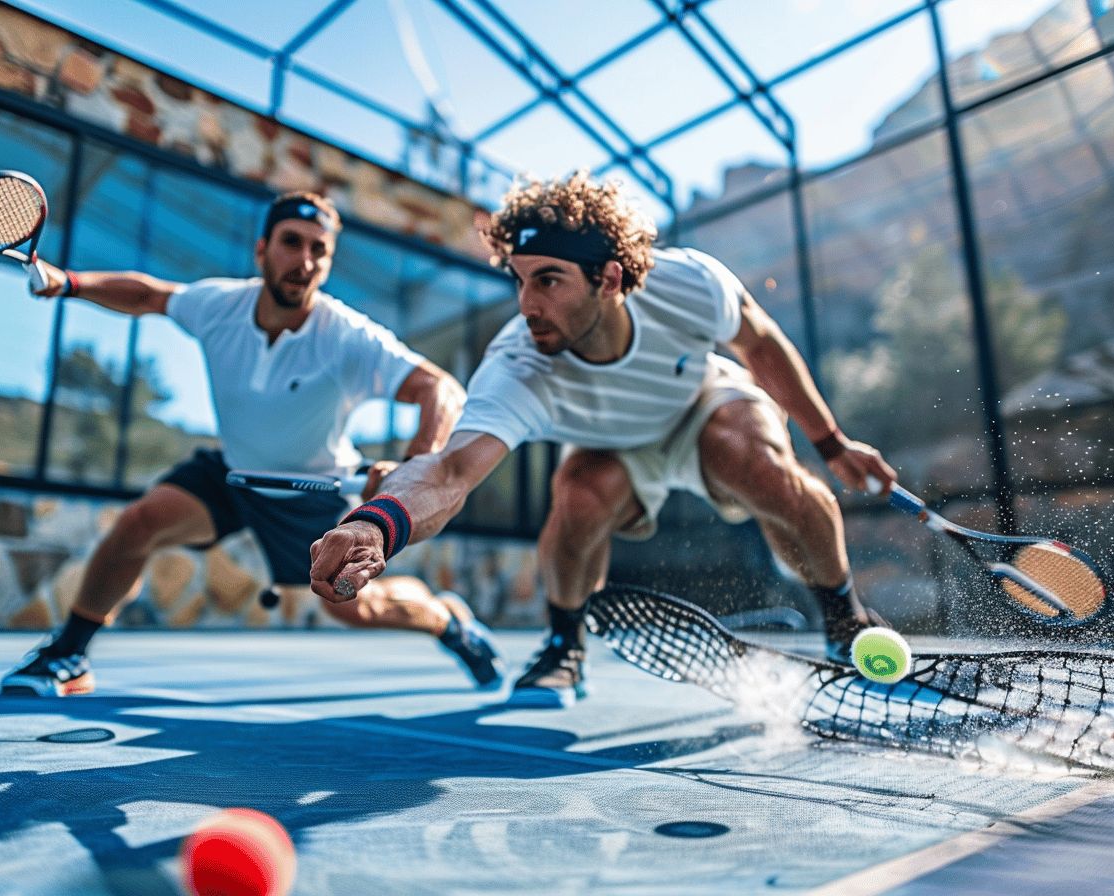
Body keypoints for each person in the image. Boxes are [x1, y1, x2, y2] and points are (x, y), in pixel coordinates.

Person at [309, 172, 897, 706]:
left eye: (548, 281)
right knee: (580, 497)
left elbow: (761, 344)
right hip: (608, 442)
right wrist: (374, 525)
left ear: (610, 278)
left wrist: (831, 443)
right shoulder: (517, 364)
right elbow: (450, 472)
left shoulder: (689, 282)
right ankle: (564, 644)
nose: (527, 304)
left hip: (699, 402)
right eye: (519, 281)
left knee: (763, 469)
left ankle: (843, 617)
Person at [0, 192, 506, 696]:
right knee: (139, 523)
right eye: (292, 243)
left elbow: (438, 388)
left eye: (318, 250)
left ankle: (446, 620)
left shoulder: (347, 335)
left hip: (314, 490)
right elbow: (149, 295)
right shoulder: (219, 306)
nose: (304, 261)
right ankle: (68, 654)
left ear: (327, 264)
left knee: (356, 608)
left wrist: (415, 465)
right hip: (235, 472)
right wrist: (69, 282)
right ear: (263, 249)